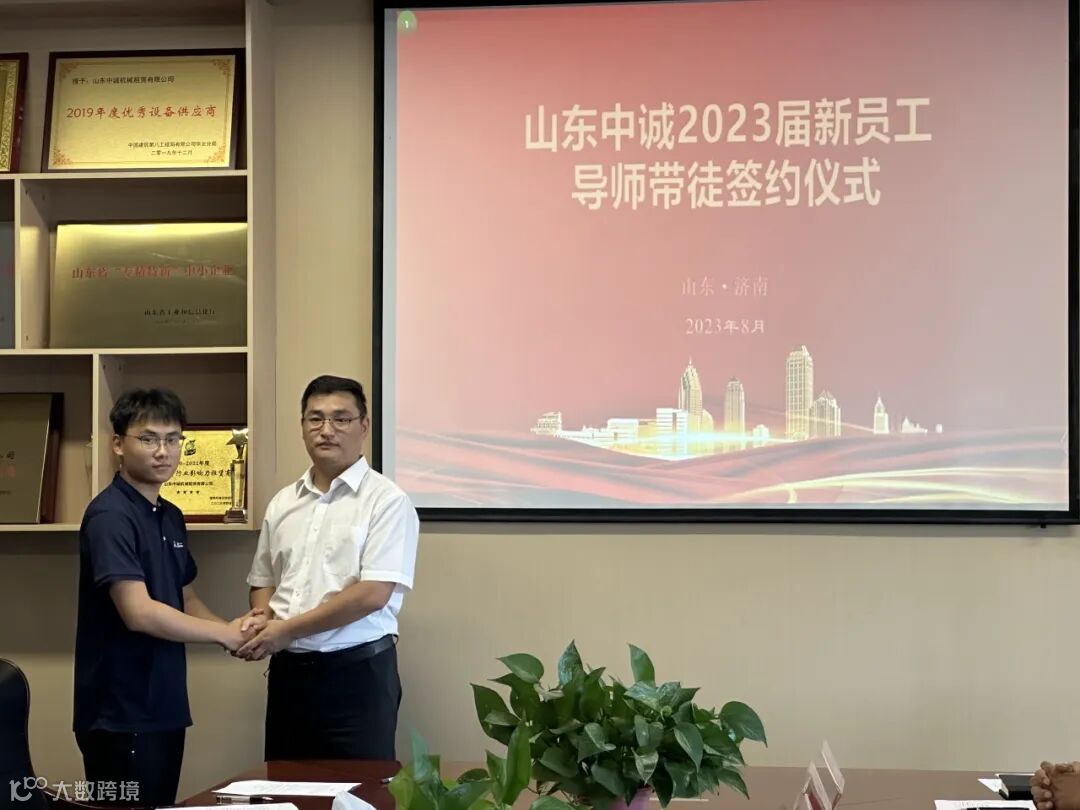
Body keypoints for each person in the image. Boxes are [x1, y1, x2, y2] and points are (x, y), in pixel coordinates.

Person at [73, 389, 265, 806]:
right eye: (148, 439)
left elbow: (185, 598)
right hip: (120, 711)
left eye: (173, 439)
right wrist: (225, 636)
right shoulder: (110, 515)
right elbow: (138, 612)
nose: (163, 451)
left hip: (164, 704)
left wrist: (236, 632)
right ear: (118, 444)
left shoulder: (170, 515)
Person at [240, 374, 419, 761]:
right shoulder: (283, 502)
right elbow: (264, 579)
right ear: (302, 426)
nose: (326, 430)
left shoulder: (387, 501)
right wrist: (262, 617)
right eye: (315, 418)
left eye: (341, 419)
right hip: (289, 675)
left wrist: (286, 629)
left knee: (359, 789)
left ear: (364, 426)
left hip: (357, 675)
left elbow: (372, 594)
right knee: (285, 786)